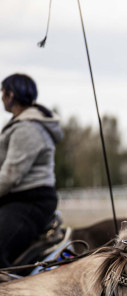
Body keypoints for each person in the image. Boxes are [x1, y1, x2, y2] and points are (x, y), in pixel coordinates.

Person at [0, 73, 63, 268]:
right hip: (18, 198)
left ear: (11, 95)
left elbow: (10, 176)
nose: (1, 97)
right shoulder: (22, 124)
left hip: (30, 202)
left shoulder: (27, 128)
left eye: (3, 92)